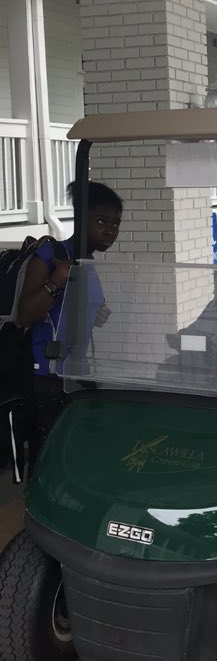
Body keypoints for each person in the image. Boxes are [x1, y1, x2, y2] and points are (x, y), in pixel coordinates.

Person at [17, 180, 123, 465]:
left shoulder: (88, 262)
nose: (110, 230)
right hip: (47, 376)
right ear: (80, 217)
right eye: (101, 221)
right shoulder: (51, 256)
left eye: (115, 223)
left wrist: (98, 315)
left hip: (78, 371)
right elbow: (25, 314)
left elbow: (73, 312)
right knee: (50, 453)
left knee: (81, 450)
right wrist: (57, 279)